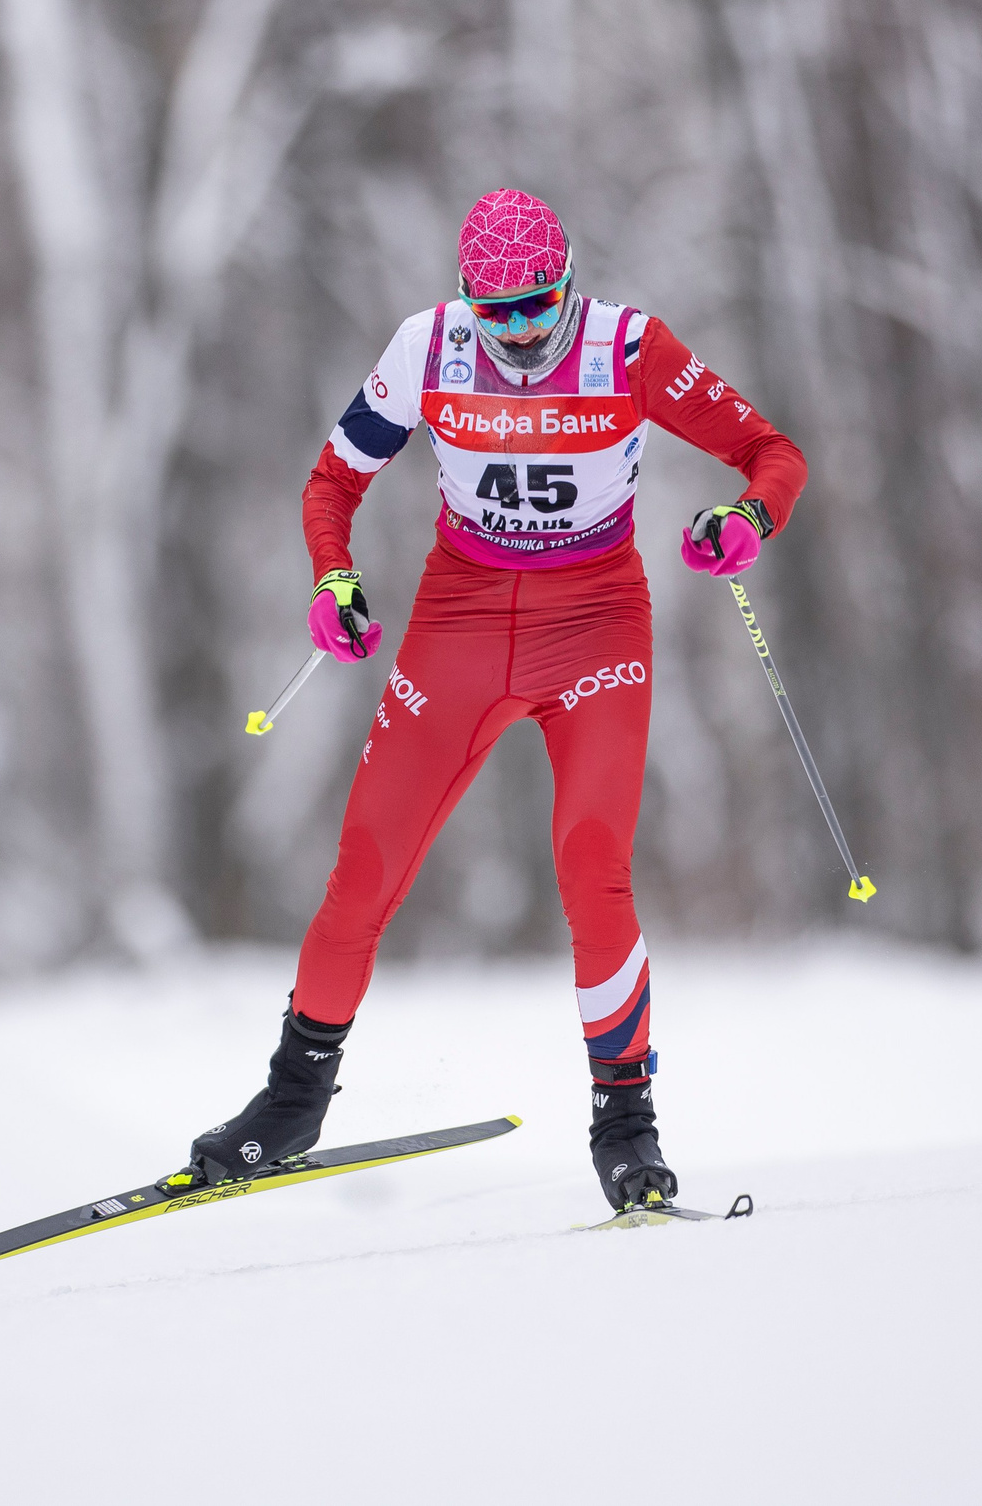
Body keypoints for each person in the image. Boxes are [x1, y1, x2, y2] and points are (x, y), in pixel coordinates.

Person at [187, 189, 807, 1213]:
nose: (517, 332)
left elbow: (772, 454)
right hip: (461, 620)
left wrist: (748, 516)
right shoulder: (426, 349)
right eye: (495, 312)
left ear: (568, 285)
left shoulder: (627, 349)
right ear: (466, 300)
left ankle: (626, 1123)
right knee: (364, 870)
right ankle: (291, 1103)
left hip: (594, 625)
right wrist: (329, 577)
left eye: (536, 307)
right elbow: (330, 482)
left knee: (590, 861)